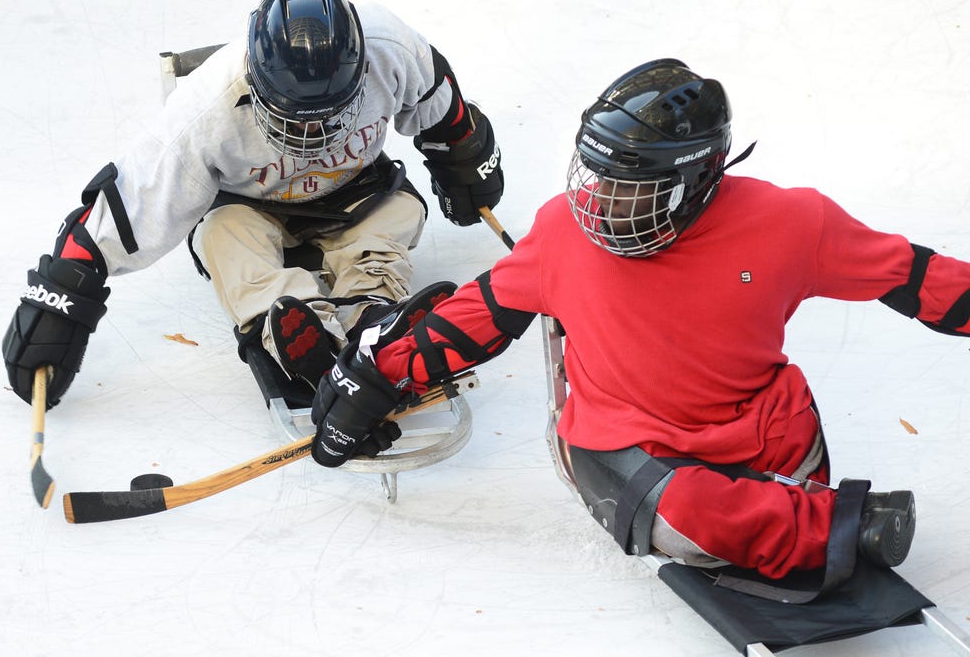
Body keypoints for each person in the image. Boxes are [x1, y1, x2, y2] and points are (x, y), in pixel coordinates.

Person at [308, 58, 970, 585]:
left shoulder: (792, 224)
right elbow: (471, 320)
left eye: (631, 188)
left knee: (761, 463)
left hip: (754, 425)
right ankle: (840, 527)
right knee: (684, 517)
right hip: (629, 445)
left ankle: (793, 520)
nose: (603, 204)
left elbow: (912, 277)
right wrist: (375, 376)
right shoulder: (565, 231)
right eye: (597, 177)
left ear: (700, 178)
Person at [2, 0, 503, 410]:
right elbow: (129, 205)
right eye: (294, 116)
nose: (311, 134)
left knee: (398, 212)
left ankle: (371, 313)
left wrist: (463, 157)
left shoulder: (390, 46)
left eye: (328, 113)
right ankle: (291, 324)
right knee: (222, 236)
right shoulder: (204, 109)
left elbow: (440, 100)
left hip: (358, 193)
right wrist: (61, 299)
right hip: (251, 205)